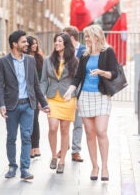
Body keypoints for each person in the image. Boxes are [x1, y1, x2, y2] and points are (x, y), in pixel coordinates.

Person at [64, 24, 119, 181]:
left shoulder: (107, 52)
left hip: (102, 96)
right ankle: (95, 166)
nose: (86, 39)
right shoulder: (85, 55)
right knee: (89, 133)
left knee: (101, 131)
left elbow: (114, 73)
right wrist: (70, 91)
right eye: (85, 36)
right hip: (86, 96)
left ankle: (105, 166)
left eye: (88, 36)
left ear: (96, 36)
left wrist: (102, 72)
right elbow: (78, 76)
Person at [0, 30, 50, 180]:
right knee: (11, 137)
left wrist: (44, 103)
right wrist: (1, 105)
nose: (27, 44)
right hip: (11, 106)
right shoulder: (2, 62)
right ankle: (12, 166)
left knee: (26, 136)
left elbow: (35, 84)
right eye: (24, 42)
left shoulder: (30, 60)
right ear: (14, 44)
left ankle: (25, 168)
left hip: (28, 106)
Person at [40, 33, 79, 173]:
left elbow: (77, 81)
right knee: (53, 127)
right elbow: (44, 80)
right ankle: (53, 156)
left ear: (66, 44)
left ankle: (62, 160)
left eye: (59, 41)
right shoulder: (48, 60)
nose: (56, 43)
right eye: (55, 41)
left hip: (68, 99)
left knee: (64, 129)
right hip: (52, 98)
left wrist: (77, 99)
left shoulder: (75, 61)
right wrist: (41, 99)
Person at [56, 26, 86, 162]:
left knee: (78, 122)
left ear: (71, 38)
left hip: (80, 89)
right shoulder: (61, 52)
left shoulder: (84, 51)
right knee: (64, 123)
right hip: (64, 91)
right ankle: (64, 146)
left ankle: (75, 150)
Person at [26, 36, 44, 159]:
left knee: (34, 119)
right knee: (27, 121)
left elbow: (42, 78)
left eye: (36, 43)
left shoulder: (39, 58)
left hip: (36, 93)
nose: (34, 45)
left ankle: (35, 146)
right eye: (32, 44)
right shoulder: (23, 58)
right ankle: (29, 147)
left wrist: (41, 97)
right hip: (25, 93)